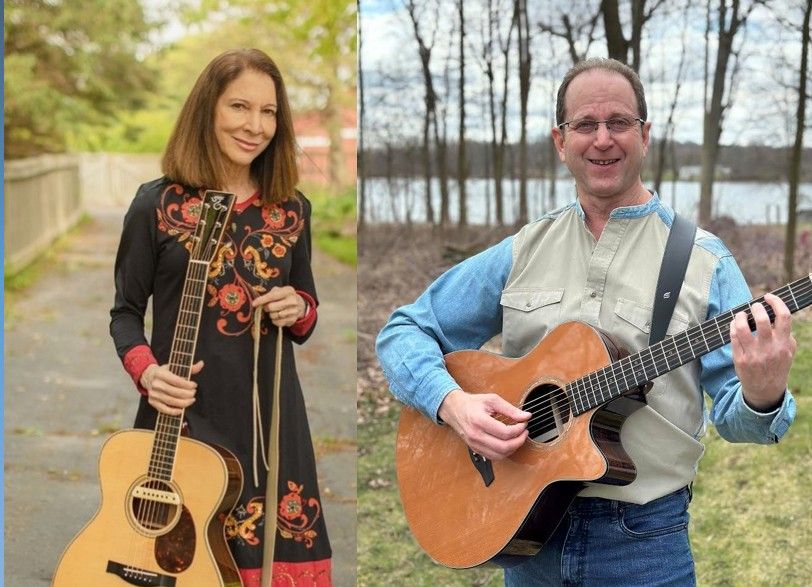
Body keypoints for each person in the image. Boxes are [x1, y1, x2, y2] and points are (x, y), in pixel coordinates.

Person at [376, 57, 797, 585]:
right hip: (525, 528)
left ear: (644, 135)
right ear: (561, 141)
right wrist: (451, 403)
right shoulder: (522, 250)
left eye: (619, 123)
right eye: (585, 125)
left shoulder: (705, 261)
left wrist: (764, 394)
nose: (603, 139)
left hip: (644, 544)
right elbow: (403, 330)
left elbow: (739, 419)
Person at [110, 48, 331, 587]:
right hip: (180, 420)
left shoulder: (291, 209)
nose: (255, 126)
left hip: (270, 423)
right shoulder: (155, 205)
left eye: (269, 112)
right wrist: (147, 372)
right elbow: (124, 314)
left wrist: (296, 306)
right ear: (208, 109)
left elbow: (307, 311)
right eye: (239, 107)